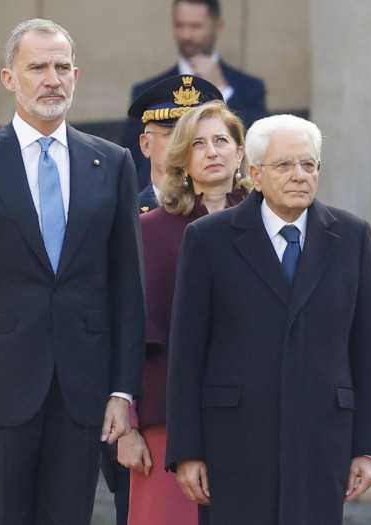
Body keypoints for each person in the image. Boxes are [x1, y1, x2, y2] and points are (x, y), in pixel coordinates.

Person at [0, 18, 146, 524]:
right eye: (38, 67)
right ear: (10, 79)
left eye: (62, 67)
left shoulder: (111, 163)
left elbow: (127, 289)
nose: (52, 78)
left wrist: (122, 391)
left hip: (81, 392)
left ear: (76, 74)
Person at [165, 114, 371, 523]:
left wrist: (369, 447)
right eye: (284, 165)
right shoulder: (208, 239)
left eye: (308, 164)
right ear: (255, 173)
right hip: (234, 442)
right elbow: (186, 353)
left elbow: (367, 349)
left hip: (323, 439)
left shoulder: (351, 237)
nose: (299, 175)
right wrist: (187, 450)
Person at [120, 98, 250, 525]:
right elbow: (128, 335)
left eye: (221, 141)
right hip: (168, 418)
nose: (212, 152)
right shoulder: (148, 231)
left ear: (240, 152)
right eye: (198, 144)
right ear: (181, 159)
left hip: (254, 418)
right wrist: (129, 426)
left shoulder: (270, 229)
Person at [123, 0, 269, 191]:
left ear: (218, 26)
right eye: (180, 25)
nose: (187, 35)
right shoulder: (147, 91)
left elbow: (260, 146)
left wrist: (222, 88)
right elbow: (134, 163)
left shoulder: (248, 87)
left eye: (196, 26)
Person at [126, 75, 223, 214]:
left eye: (196, 135)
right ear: (146, 145)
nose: (186, 142)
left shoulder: (230, 210)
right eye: (173, 133)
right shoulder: (129, 215)